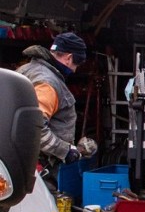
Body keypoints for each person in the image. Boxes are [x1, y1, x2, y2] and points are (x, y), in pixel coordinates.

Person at [17, 31, 93, 179]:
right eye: (77, 63)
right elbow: (35, 128)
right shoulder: (48, 83)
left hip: (20, 160)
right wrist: (64, 151)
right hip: (34, 167)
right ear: (69, 57)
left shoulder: (27, 70)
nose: (75, 69)